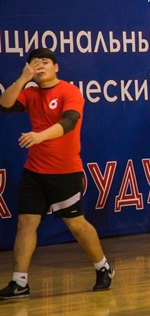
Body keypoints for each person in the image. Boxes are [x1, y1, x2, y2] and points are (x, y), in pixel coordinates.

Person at [0, 49, 114, 298]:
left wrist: (39, 136)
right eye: (35, 63)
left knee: (76, 224)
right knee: (26, 224)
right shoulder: (30, 93)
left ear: (56, 67)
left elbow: (70, 122)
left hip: (65, 172)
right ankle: (20, 282)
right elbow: (5, 104)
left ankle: (102, 266)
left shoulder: (69, 91)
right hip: (34, 171)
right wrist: (22, 79)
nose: (40, 66)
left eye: (45, 62)